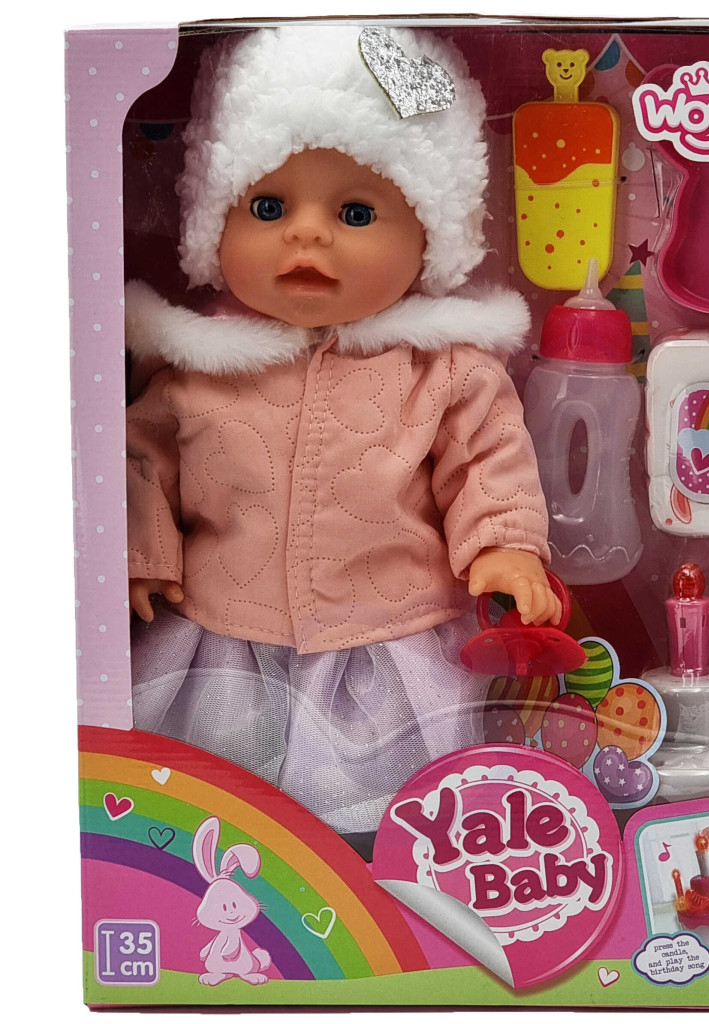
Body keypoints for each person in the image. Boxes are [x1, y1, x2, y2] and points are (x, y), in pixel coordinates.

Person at [126, 24, 559, 840]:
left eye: (356, 212)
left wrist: (504, 547)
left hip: (386, 648)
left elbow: (489, 461)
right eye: (267, 207)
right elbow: (139, 463)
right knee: (211, 817)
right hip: (224, 644)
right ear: (211, 225)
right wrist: (139, 554)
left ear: (430, 239)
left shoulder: (442, 372)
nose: (308, 233)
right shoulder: (197, 371)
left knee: (389, 822)